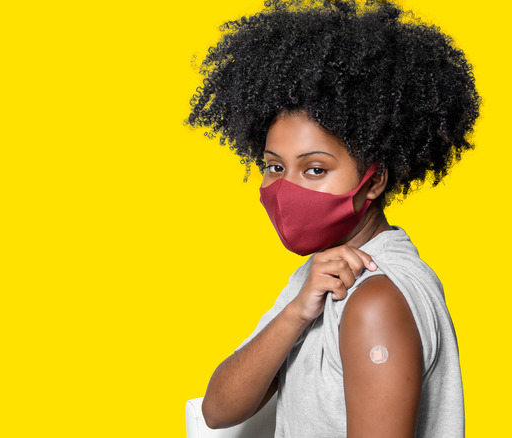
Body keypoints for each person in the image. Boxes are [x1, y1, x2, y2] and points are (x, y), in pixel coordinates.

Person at [185, 1, 480, 436]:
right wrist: (294, 313)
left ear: (374, 179)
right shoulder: (317, 277)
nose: (288, 189)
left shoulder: (374, 300)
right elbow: (218, 410)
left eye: (316, 169)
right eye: (274, 167)